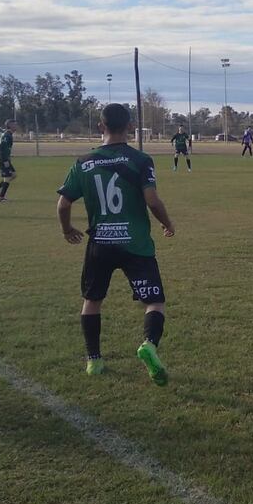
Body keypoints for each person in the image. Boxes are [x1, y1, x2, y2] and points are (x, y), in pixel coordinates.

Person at [56, 103, 176, 386]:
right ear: (131, 128)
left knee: (92, 300)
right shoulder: (141, 160)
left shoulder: (83, 162)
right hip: (136, 245)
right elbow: (152, 201)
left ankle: (94, 361)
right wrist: (167, 223)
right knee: (154, 302)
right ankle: (148, 345)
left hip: (101, 244)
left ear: (101, 127)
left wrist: (67, 229)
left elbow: (63, 204)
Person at [0, 119, 17, 202]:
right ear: (10, 125)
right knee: (7, 177)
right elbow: (1, 147)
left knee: (13, 175)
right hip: (3, 158)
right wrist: (5, 159)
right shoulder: (7, 135)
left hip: (4, 158)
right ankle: (1, 197)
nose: (16, 126)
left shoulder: (7, 134)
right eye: (14, 124)